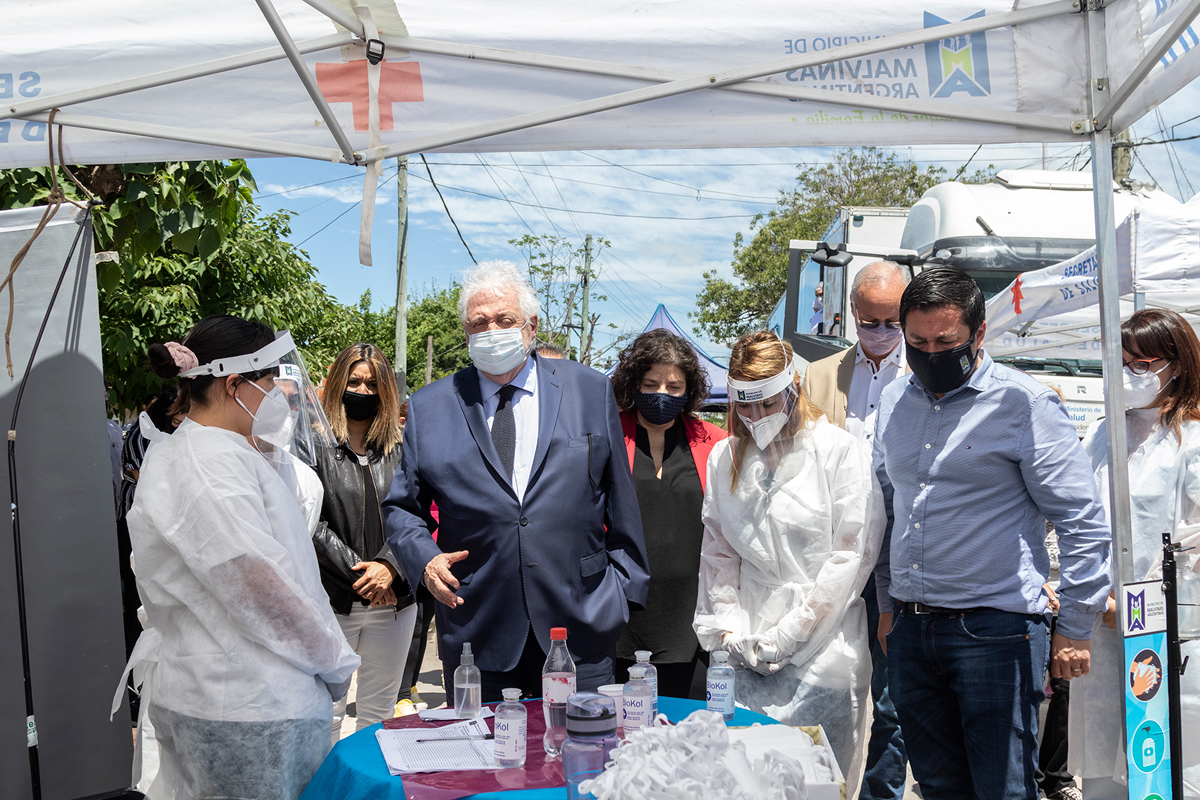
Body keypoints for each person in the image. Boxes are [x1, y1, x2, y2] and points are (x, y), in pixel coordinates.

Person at [872, 265, 1111, 799]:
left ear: (979, 334)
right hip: (912, 630)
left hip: (997, 633)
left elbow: (1082, 521)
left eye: (946, 342)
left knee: (1002, 789)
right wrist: (889, 605)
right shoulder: (892, 401)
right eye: (917, 342)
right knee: (937, 787)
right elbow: (887, 509)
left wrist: (1073, 626)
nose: (930, 353)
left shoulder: (1024, 404)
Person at [384, 260, 649, 701]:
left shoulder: (588, 390)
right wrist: (425, 561)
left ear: (531, 326)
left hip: (581, 627)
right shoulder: (431, 407)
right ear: (465, 332)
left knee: (580, 762)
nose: (491, 331)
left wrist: (623, 593)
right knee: (485, 766)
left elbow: (620, 498)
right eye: (478, 323)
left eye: (504, 320)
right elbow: (401, 508)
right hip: (477, 631)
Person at [121, 315, 359, 800]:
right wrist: (334, 663)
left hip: (234, 698)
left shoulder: (216, 453)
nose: (279, 392)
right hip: (244, 705)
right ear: (235, 385)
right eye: (271, 379)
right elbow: (260, 587)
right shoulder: (210, 463)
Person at [693, 331, 885, 781]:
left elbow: (849, 556)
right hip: (746, 646)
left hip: (824, 649)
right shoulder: (726, 456)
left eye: (766, 402)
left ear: (793, 386)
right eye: (744, 404)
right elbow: (718, 550)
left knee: (815, 780)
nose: (755, 416)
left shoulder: (839, 452)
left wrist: (791, 633)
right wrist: (728, 629)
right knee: (744, 780)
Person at [1069, 309, 1200, 798]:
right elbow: (1076, 517)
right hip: (1099, 620)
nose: (1129, 374)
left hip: (1168, 631)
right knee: (1103, 758)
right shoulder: (1104, 431)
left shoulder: (1191, 439)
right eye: (1121, 362)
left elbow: (1194, 540)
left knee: (1164, 759)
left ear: (1177, 364)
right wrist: (1085, 592)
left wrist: (1138, 603)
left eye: (1141, 363)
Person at [801, 260, 909, 800]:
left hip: (900, 559)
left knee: (891, 698)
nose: (882, 334)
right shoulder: (819, 377)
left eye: (893, 322)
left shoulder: (924, 372)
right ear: (852, 317)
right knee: (829, 682)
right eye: (871, 322)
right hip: (835, 559)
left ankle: (880, 793)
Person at [609, 328, 725, 698]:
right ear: (633, 383)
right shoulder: (608, 434)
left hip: (691, 617)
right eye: (651, 383)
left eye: (674, 387)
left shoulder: (715, 442)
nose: (662, 394)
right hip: (624, 616)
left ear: (689, 391)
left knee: (689, 732)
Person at [312, 343, 417, 739]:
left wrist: (389, 567)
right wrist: (364, 576)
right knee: (328, 714)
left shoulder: (404, 449)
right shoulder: (312, 447)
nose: (363, 390)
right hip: (333, 599)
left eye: (373, 384)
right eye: (354, 381)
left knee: (379, 712)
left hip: (395, 601)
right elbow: (311, 522)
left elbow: (418, 512)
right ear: (337, 383)